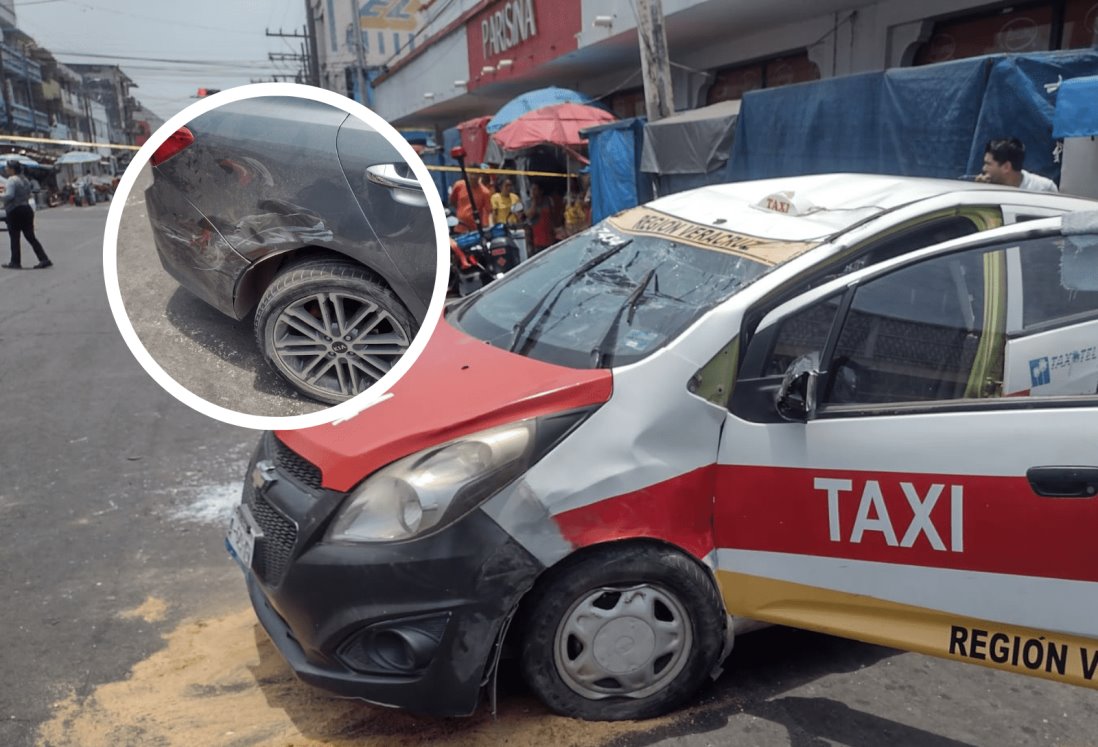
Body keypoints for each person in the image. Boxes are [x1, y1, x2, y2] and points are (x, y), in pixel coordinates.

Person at [1, 160, 51, 269]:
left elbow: (9, 195)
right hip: (26, 209)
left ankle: (15, 262)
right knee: (30, 236)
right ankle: (44, 258)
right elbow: (28, 193)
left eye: (7, 167)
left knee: (14, 237)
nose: (5, 169)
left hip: (15, 210)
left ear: (12, 169)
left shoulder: (11, 180)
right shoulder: (25, 179)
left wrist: (1, 196)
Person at [976, 138, 1058, 192]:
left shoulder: (1044, 188)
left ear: (1006, 167)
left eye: (988, 164)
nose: (984, 168)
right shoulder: (986, 189)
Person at [449, 169, 491, 233]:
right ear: (467, 174)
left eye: (476, 174)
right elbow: (452, 201)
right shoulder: (459, 186)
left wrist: (486, 228)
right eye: (471, 174)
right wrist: (461, 212)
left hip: (475, 230)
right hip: (459, 228)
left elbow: (487, 211)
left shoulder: (485, 192)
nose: (473, 177)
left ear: (480, 176)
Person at [527, 182, 554, 254]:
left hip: (549, 238)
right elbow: (530, 215)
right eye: (532, 190)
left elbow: (552, 216)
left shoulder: (548, 200)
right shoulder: (530, 203)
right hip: (537, 242)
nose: (533, 192)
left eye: (535, 189)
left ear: (541, 191)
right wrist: (534, 201)